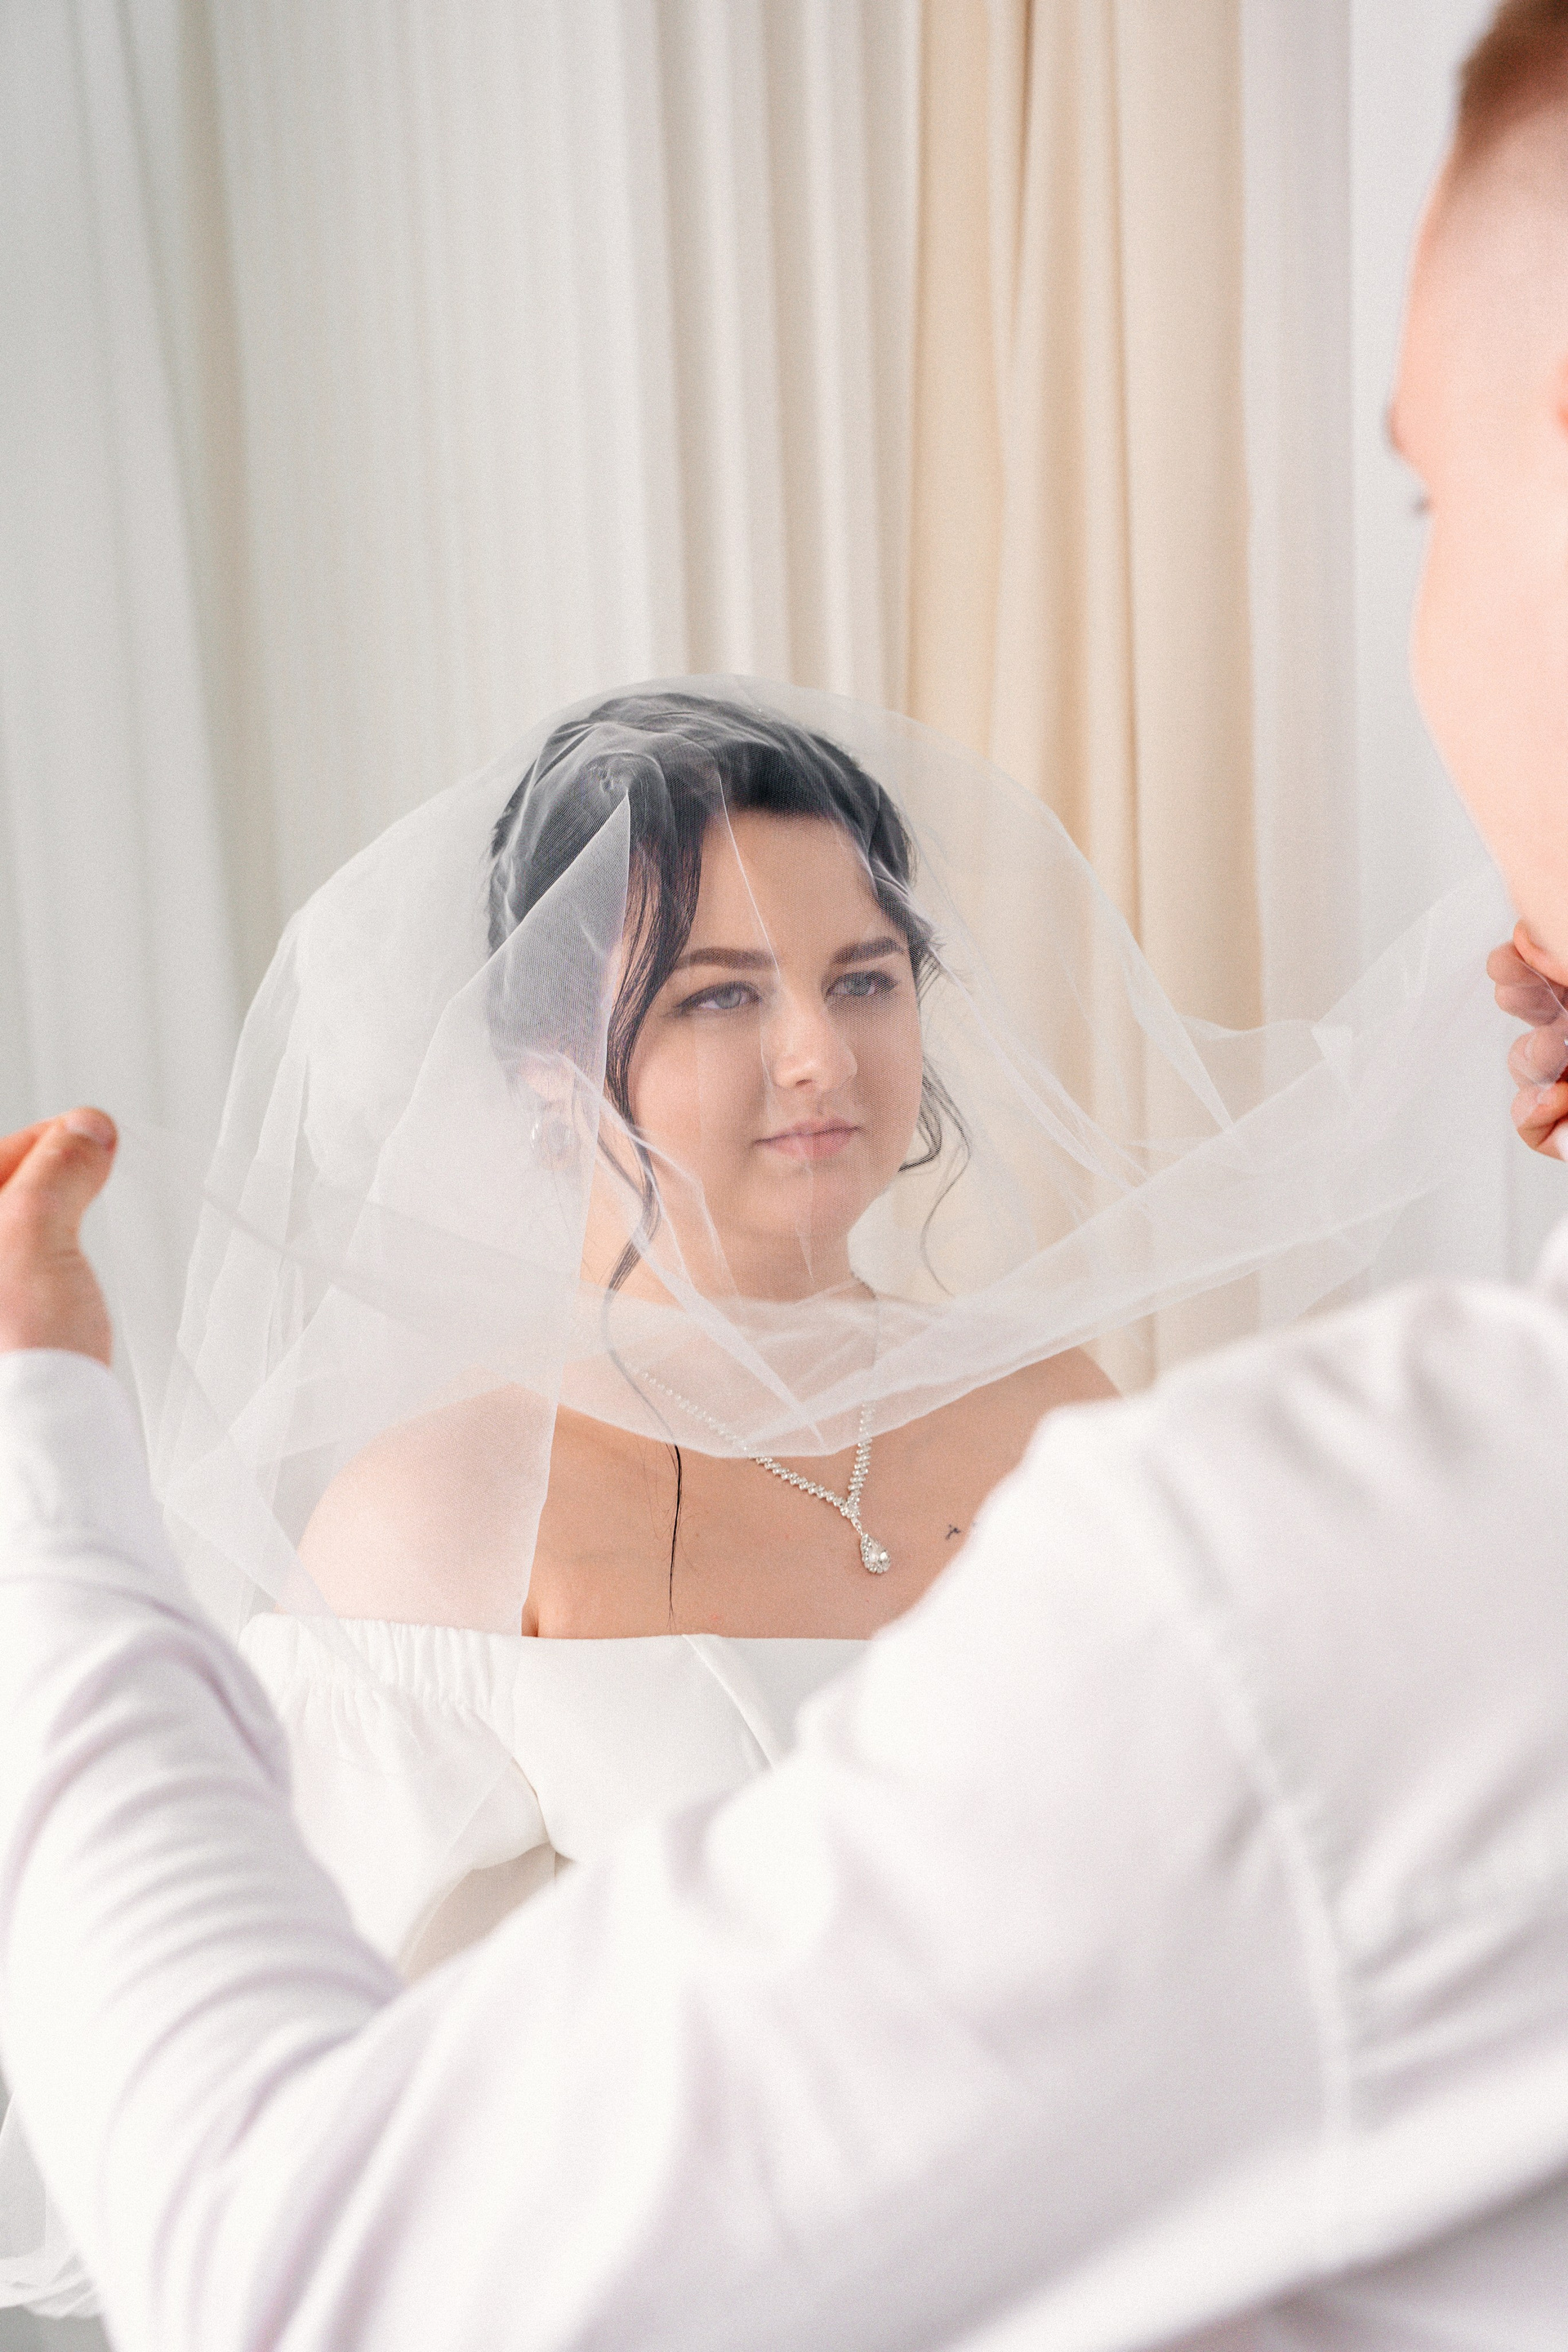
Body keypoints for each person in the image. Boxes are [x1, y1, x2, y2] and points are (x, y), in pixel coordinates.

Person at [4, 2, 1568, 2344]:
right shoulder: (444, 1510)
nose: (822, 1049)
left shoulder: (1078, 1429)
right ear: (556, 1077)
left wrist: (42, 1460)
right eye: (720, 996)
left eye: (863, 974)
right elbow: (312, 2130)